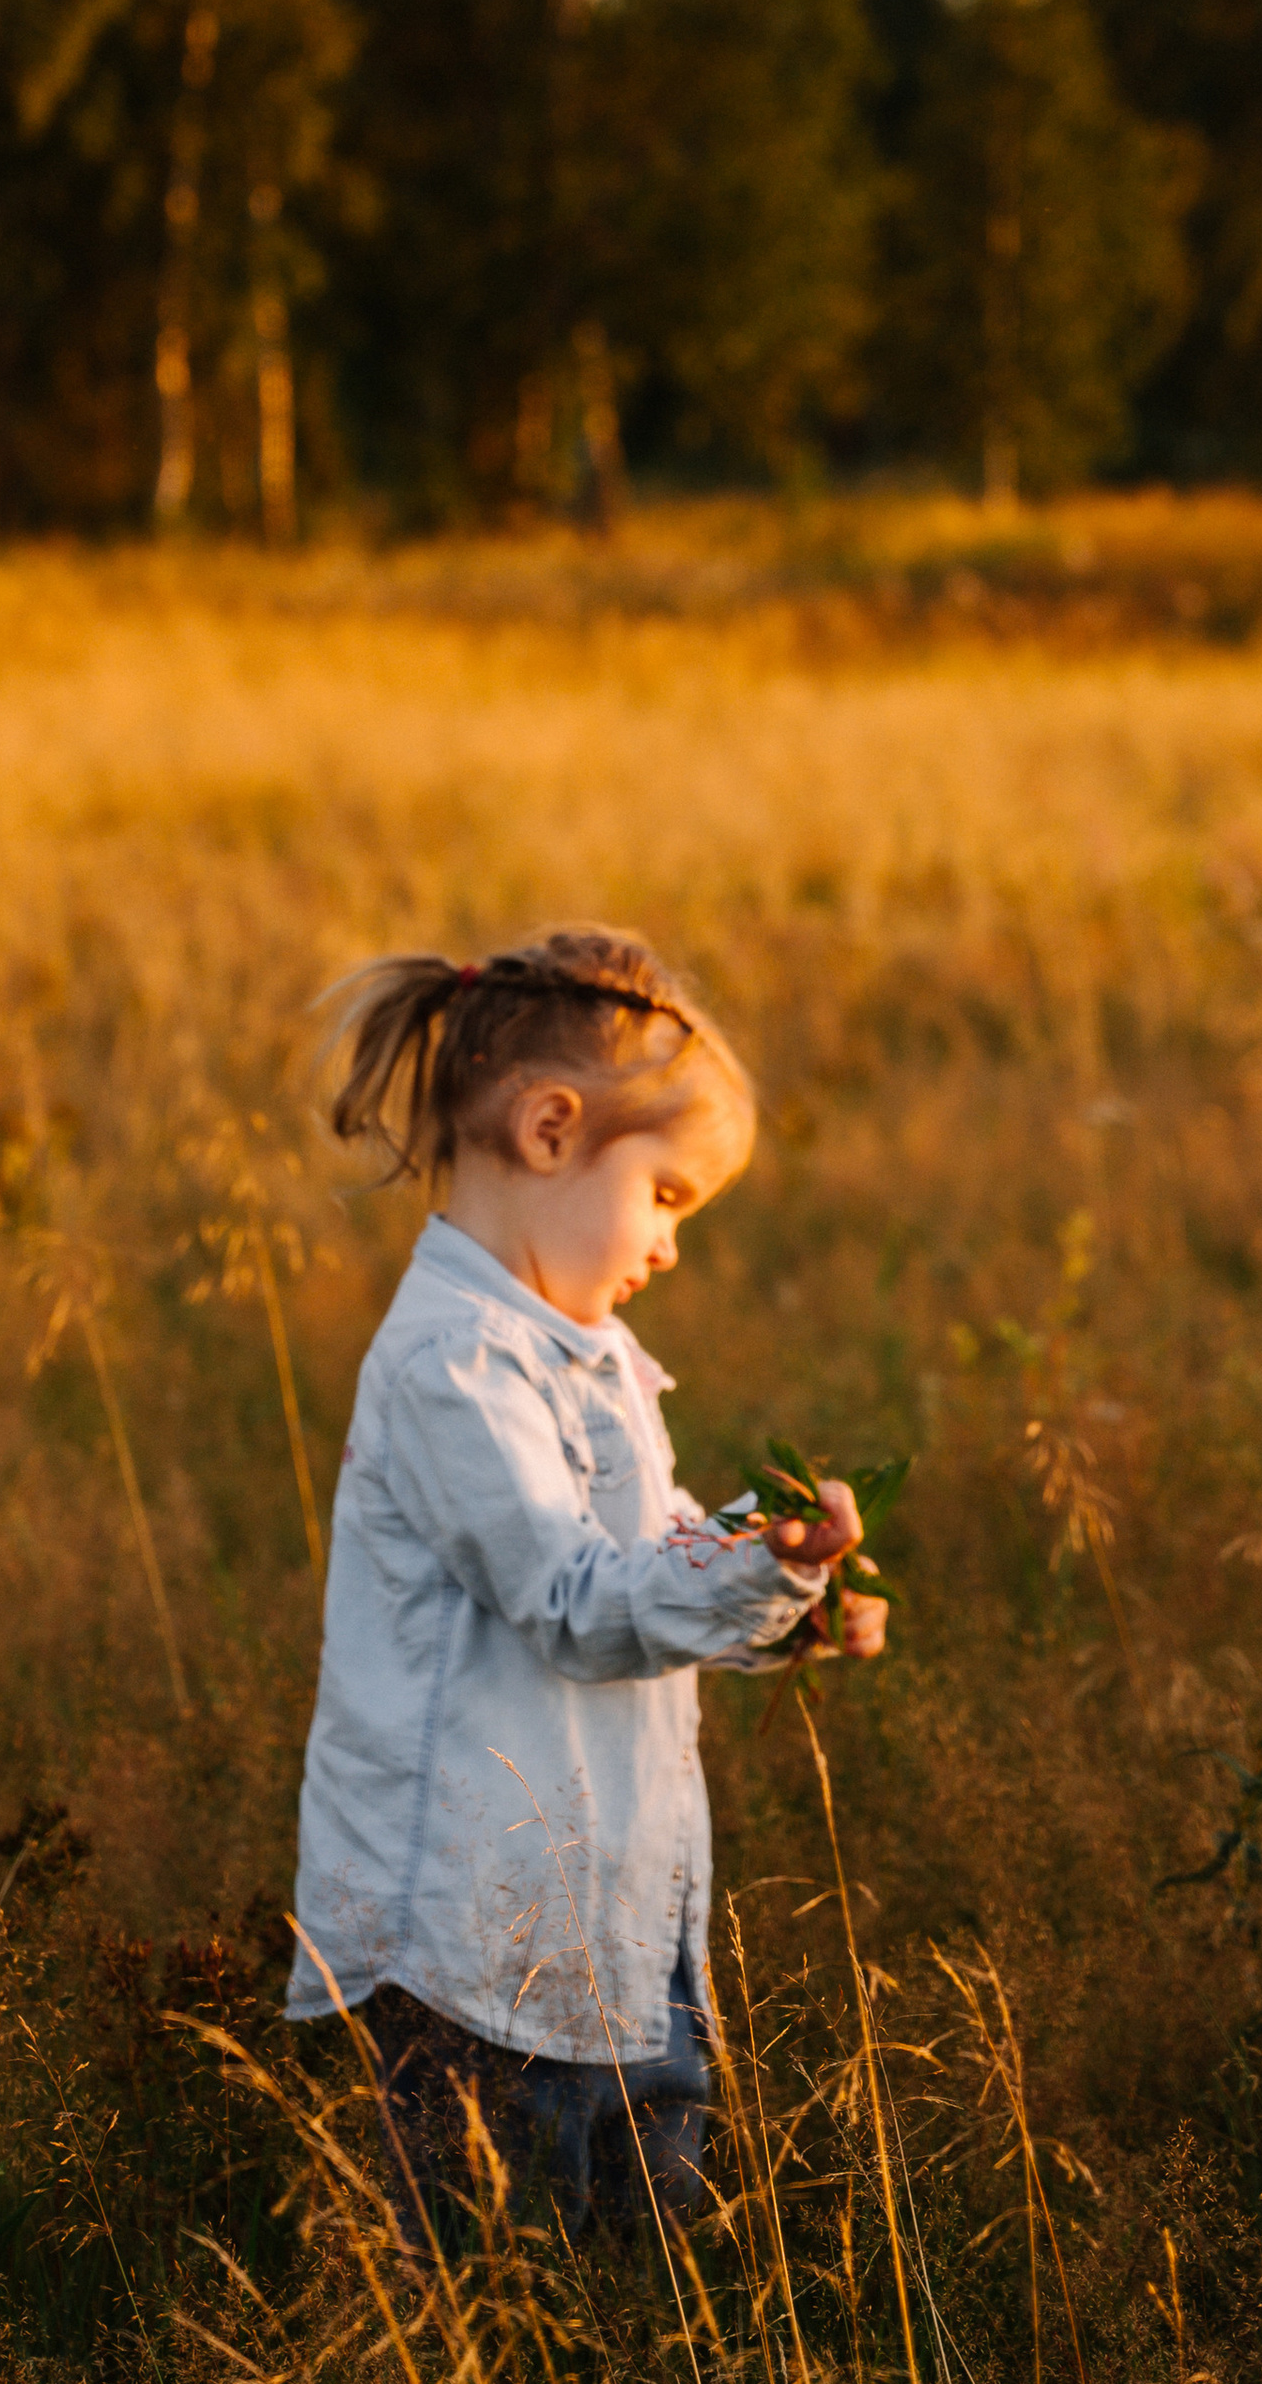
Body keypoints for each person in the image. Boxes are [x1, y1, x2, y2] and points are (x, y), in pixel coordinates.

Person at [286, 923, 886, 2251]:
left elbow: (653, 1557)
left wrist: (783, 1585)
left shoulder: (591, 1356)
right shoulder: (454, 1368)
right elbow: (574, 1599)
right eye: (666, 1196)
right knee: (488, 2289)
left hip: (617, 1921)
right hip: (480, 1953)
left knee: (644, 2273)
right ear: (551, 1130)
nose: (672, 1247)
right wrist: (744, 1578)